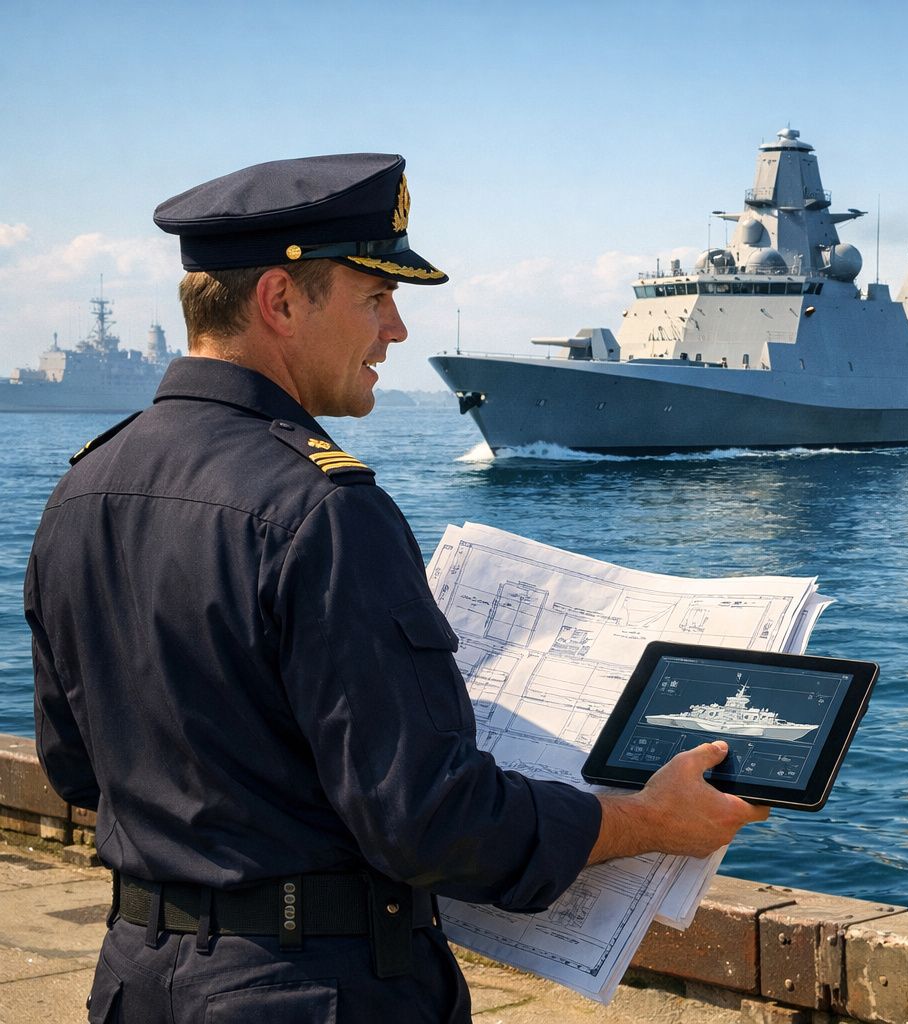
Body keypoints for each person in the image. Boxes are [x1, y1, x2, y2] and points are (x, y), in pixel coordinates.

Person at [25, 153, 768, 1022]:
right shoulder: (321, 508)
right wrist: (649, 821)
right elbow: (431, 822)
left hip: (138, 984)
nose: (398, 332)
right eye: (376, 298)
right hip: (312, 994)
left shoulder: (84, 487)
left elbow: (76, 767)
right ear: (280, 300)